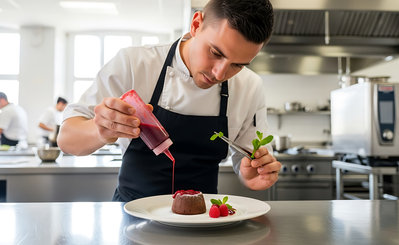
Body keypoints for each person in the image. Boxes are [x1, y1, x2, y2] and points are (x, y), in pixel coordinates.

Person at [58, 0, 281, 202]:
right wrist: (101, 131)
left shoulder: (250, 87)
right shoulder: (134, 64)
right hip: (132, 216)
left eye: (238, 65)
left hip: (203, 221)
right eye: (215, 52)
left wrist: (251, 173)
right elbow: (67, 140)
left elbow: (247, 161)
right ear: (196, 25)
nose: (220, 73)